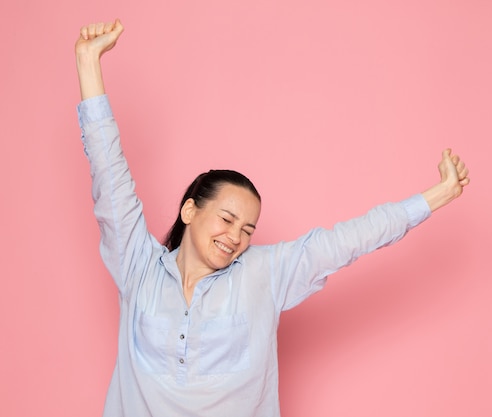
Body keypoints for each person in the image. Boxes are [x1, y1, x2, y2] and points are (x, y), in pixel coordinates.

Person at [75, 19, 470, 417]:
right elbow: (109, 176)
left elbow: (351, 238)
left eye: (248, 229)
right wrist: (88, 62)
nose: (236, 237)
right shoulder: (136, 266)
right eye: (227, 219)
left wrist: (437, 195)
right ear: (190, 210)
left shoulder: (264, 274)